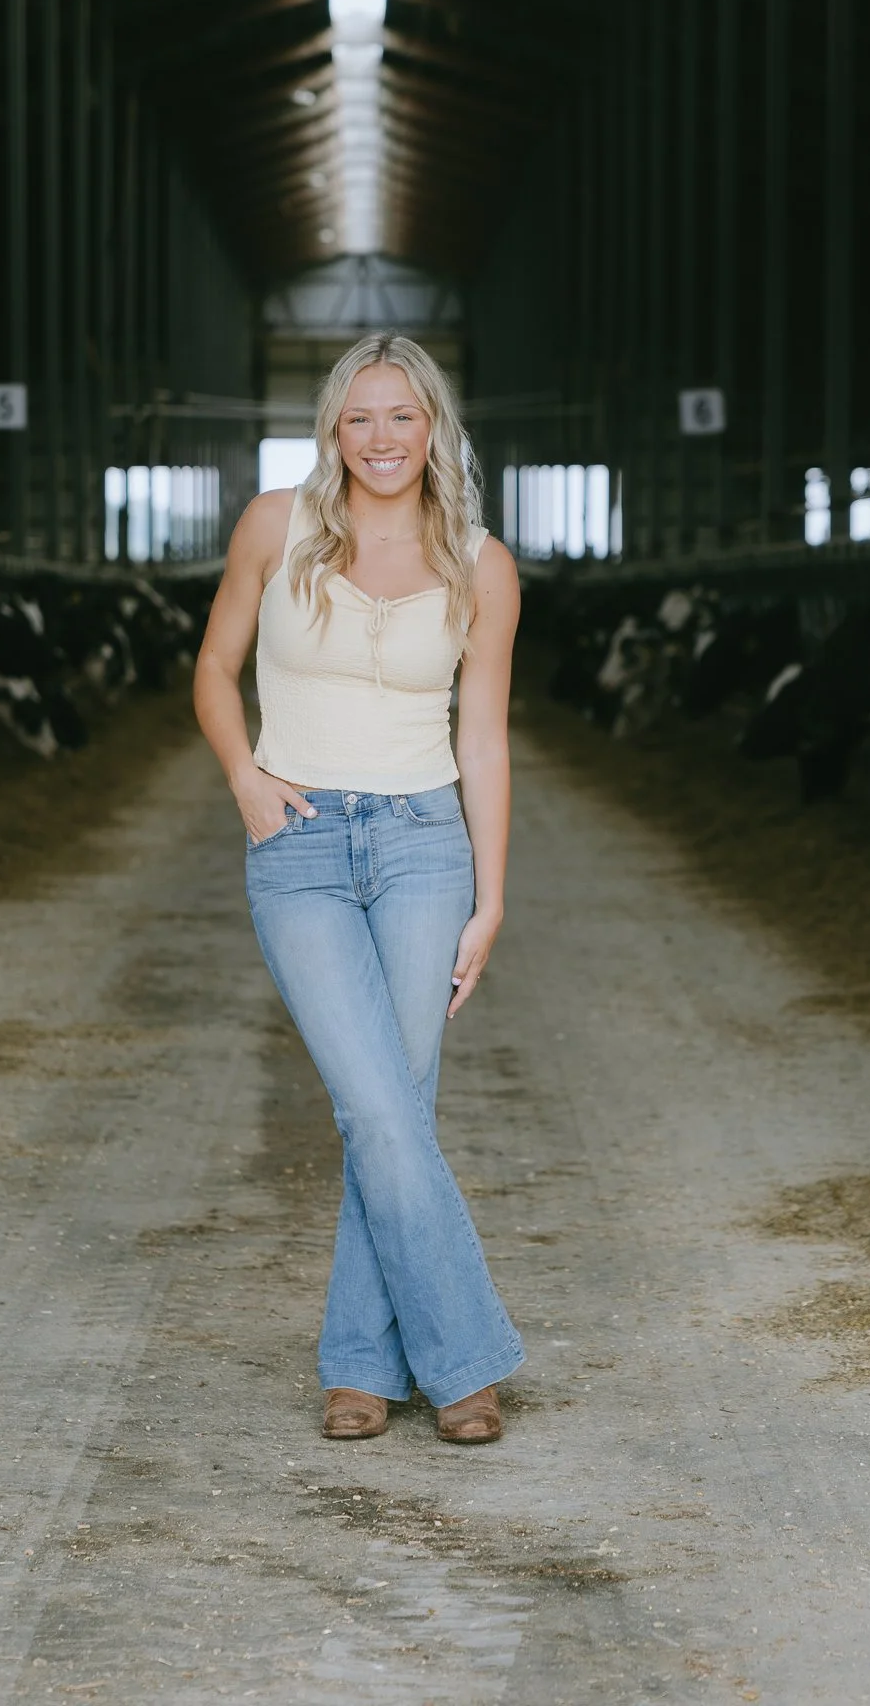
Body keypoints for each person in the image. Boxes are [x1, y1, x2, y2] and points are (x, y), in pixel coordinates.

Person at [193, 331, 524, 1445]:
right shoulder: (273, 526)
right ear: (333, 427)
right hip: (300, 842)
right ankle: (466, 1358)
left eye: (403, 416)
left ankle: (361, 1366)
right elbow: (212, 665)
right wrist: (243, 772)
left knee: (393, 1110)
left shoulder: (481, 561)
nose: (382, 439)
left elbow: (483, 740)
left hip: (429, 838)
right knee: (377, 1102)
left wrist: (490, 896)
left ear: (435, 426)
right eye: (359, 417)